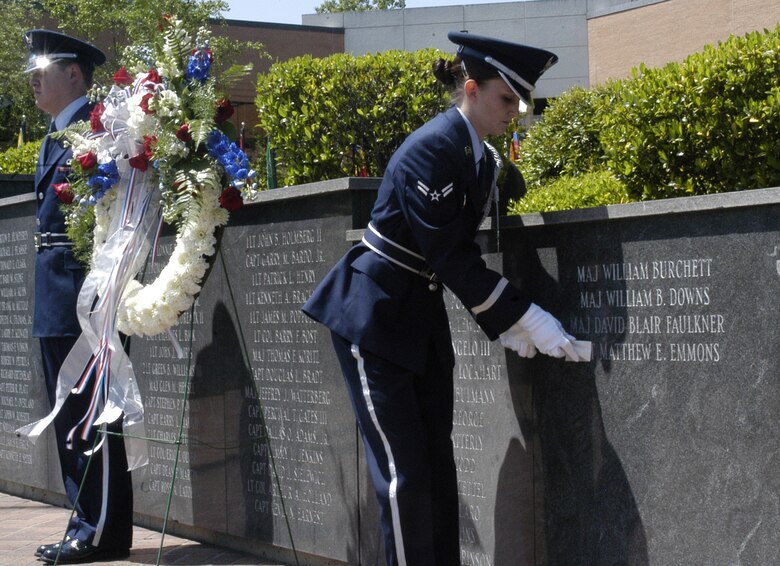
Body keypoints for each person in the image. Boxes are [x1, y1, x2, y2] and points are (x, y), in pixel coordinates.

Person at [302, 31, 589, 565]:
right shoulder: (431, 147)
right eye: (507, 99)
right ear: (473, 89)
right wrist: (524, 317)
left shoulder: (477, 156)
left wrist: (512, 323)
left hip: (419, 320)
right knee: (403, 474)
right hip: (375, 317)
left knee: (436, 465)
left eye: (519, 103)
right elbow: (449, 254)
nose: (514, 112)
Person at [25, 29, 134, 564]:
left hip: (88, 301)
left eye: (43, 69)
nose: (34, 79)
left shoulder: (100, 130)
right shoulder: (53, 136)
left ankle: (102, 531)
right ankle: (83, 523)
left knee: (94, 418)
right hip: (54, 297)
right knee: (68, 421)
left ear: (74, 74)